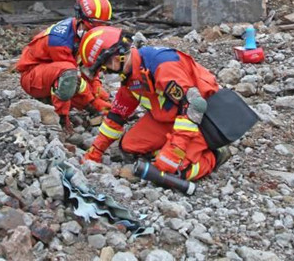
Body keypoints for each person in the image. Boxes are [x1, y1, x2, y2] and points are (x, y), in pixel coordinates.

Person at [80, 26, 229, 181]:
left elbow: (195, 105)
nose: (107, 73)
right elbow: (117, 116)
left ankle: (214, 156)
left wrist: (175, 151)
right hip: (171, 117)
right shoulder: (130, 76)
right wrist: (95, 152)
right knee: (129, 147)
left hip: (202, 118)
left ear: (116, 57)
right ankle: (177, 149)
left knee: (169, 170)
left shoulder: (161, 65)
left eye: (105, 67)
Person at [16, 0, 114, 129]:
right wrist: (93, 103)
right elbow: (73, 77)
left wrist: (98, 90)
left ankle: (54, 100)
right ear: (81, 19)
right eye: (92, 27)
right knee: (68, 74)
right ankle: (61, 120)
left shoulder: (78, 31)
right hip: (32, 77)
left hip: (49, 72)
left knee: (88, 88)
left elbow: (88, 67)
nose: (95, 33)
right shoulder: (60, 41)